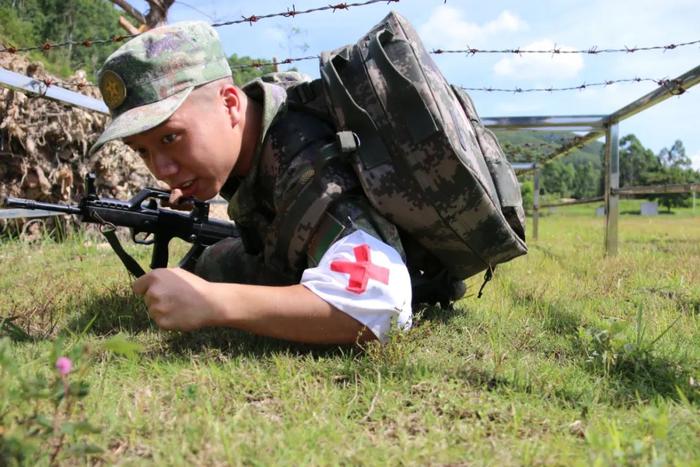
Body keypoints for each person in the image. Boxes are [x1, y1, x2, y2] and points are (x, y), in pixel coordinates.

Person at [89, 21, 413, 345]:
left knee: (213, 270)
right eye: (142, 150)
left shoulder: (305, 161)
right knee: (212, 261)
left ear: (230, 104)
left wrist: (213, 303)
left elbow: (381, 307)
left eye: (171, 137)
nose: (161, 169)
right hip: (283, 253)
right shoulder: (254, 132)